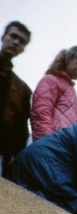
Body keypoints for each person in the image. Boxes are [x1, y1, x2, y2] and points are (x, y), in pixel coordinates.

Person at [30, 46, 77, 141]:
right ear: (68, 59)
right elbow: (41, 114)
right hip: (53, 146)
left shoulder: (70, 89)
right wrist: (48, 144)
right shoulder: (50, 80)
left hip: (66, 147)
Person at [0, 20, 31, 179]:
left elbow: (21, 126)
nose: (16, 42)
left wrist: (13, 152)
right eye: (13, 36)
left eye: (22, 41)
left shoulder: (21, 89)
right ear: (3, 36)